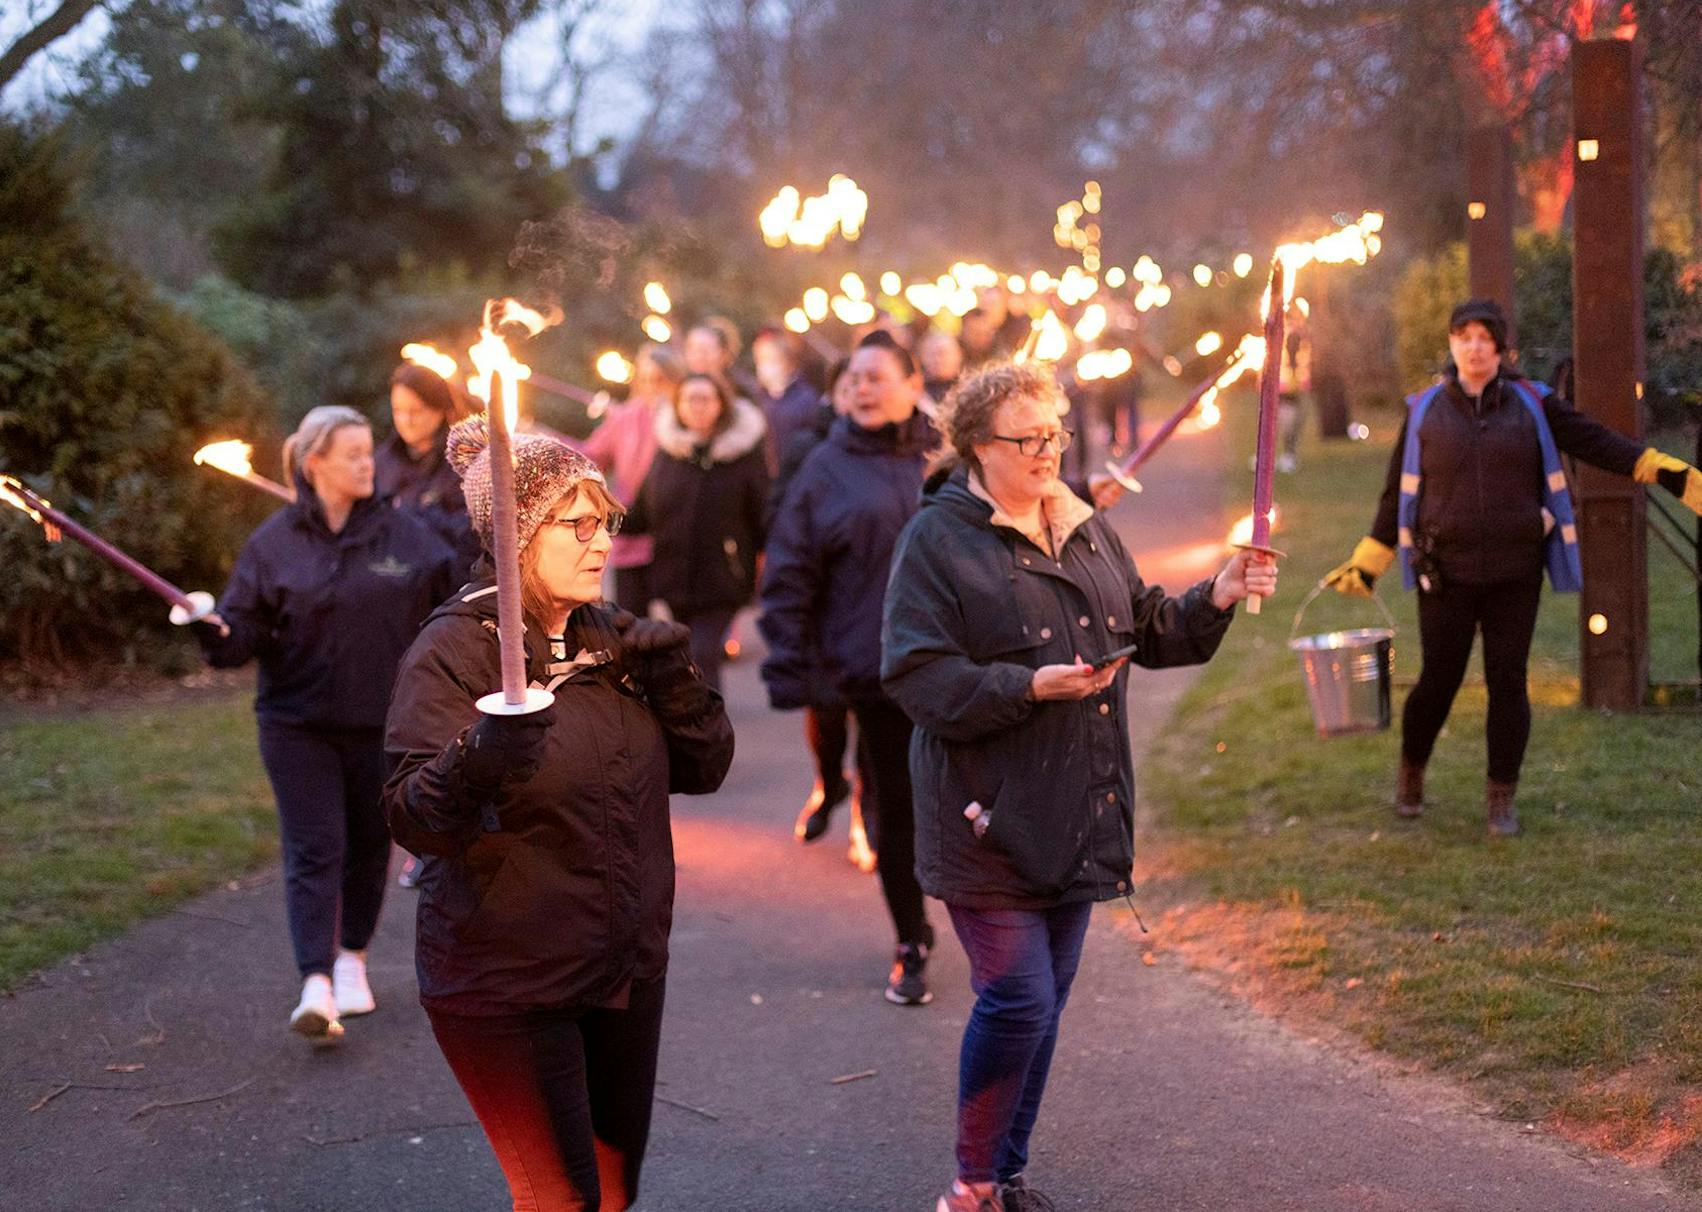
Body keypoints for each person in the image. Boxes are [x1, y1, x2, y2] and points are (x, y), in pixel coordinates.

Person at [880, 361, 1275, 1212]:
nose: (1048, 452)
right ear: (978, 447)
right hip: (987, 814)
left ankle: (1004, 1174)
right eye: (1028, 440)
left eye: (1055, 434)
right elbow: (915, 676)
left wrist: (1218, 593)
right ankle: (972, 1184)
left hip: (1078, 806)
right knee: (1018, 996)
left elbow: (1149, 627)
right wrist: (1026, 687)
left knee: (1044, 1004)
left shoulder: (1085, 526)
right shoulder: (939, 541)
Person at [383, 419, 734, 1211]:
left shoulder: (608, 638)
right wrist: (481, 753)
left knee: (614, 1194)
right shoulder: (452, 653)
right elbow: (414, 818)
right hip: (508, 984)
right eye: (576, 524)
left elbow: (706, 770)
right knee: (560, 1201)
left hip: (622, 968)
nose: (602, 543)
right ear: (514, 537)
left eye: (605, 520)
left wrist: (677, 682)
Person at [1324, 298, 1702, 834]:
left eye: (1485, 337)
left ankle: (1501, 798)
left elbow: (1597, 443)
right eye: (1465, 336)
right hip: (1445, 575)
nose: (1474, 347)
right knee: (1437, 681)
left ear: (1502, 348)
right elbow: (1396, 496)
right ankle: (1411, 773)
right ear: (1452, 344)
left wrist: (1662, 470)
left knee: (1508, 683)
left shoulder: (1534, 403)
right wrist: (1369, 562)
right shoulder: (1424, 408)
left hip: (1514, 574)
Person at [194, 405, 458, 1042]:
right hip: (296, 722)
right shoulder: (273, 543)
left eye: (370, 452)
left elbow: (456, 593)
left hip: (382, 724)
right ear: (314, 464)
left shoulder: (405, 536)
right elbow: (239, 635)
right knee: (317, 847)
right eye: (353, 455)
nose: (369, 464)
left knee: (369, 845)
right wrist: (209, 624)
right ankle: (314, 978)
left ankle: (351, 960)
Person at [760, 330, 937, 1004]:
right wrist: (793, 664)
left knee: (957, 800)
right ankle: (912, 936)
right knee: (896, 805)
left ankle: (995, 924)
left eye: (877, 376)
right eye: (853, 378)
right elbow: (790, 570)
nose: (863, 388)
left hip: (958, 667)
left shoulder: (945, 456)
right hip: (875, 669)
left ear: (914, 384)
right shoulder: (823, 468)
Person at [626, 374, 769, 691]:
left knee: (703, 652)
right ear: (678, 406)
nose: (697, 406)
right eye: (690, 399)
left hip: (723, 577)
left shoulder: (743, 457)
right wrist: (602, 516)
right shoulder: (667, 454)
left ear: (722, 404)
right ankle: (692, 723)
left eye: (705, 398)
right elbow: (642, 513)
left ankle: (710, 729)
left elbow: (764, 516)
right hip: (675, 575)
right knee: (684, 655)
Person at [576, 343, 686, 613]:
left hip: (675, 534)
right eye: (646, 379)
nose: (653, 387)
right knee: (631, 621)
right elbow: (591, 456)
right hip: (632, 532)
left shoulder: (687, 417)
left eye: (660, 380)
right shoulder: (625, 417)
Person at [377, 362, 482, 576]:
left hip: (444, 582)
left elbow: (472, 533)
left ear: (440, 410)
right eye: (398, 410)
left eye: (415, 411)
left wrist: (412, 517)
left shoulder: (465, 464)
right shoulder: (381, 462)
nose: (406, 420)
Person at [752, 326, 825, 472]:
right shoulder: (756, 398)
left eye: (772, 360)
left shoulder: (806, 399)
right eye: (761, 360)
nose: (765, 367)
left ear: (788, 363)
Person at [919, 329, 965, 403]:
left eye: (942, 353)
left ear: (958, 355)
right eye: (932, 354)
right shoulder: (916, 394)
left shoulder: (968, 390)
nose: (937, 360)